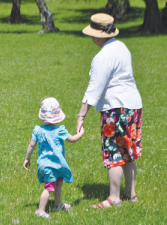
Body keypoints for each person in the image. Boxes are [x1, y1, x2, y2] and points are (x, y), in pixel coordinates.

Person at [77, 13, 143, 208]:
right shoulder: (121, 47)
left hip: (116, 108)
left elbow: (94, 89)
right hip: (133, 105)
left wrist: (81, 115)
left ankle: (114, 198)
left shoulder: (102, 56)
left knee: (114, 153)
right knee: (128, 152)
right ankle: (130, 194)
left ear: (98, 35)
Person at [23, 97, 84, 218]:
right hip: (54, 165)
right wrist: (81, 133)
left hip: (47, 164)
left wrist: (27, 158)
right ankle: (40, 211)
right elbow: (72, 139)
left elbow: (31, 144)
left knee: (58, 183)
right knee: (49, 188)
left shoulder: (38, 130)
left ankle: (58, 204)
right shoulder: (60, 130)